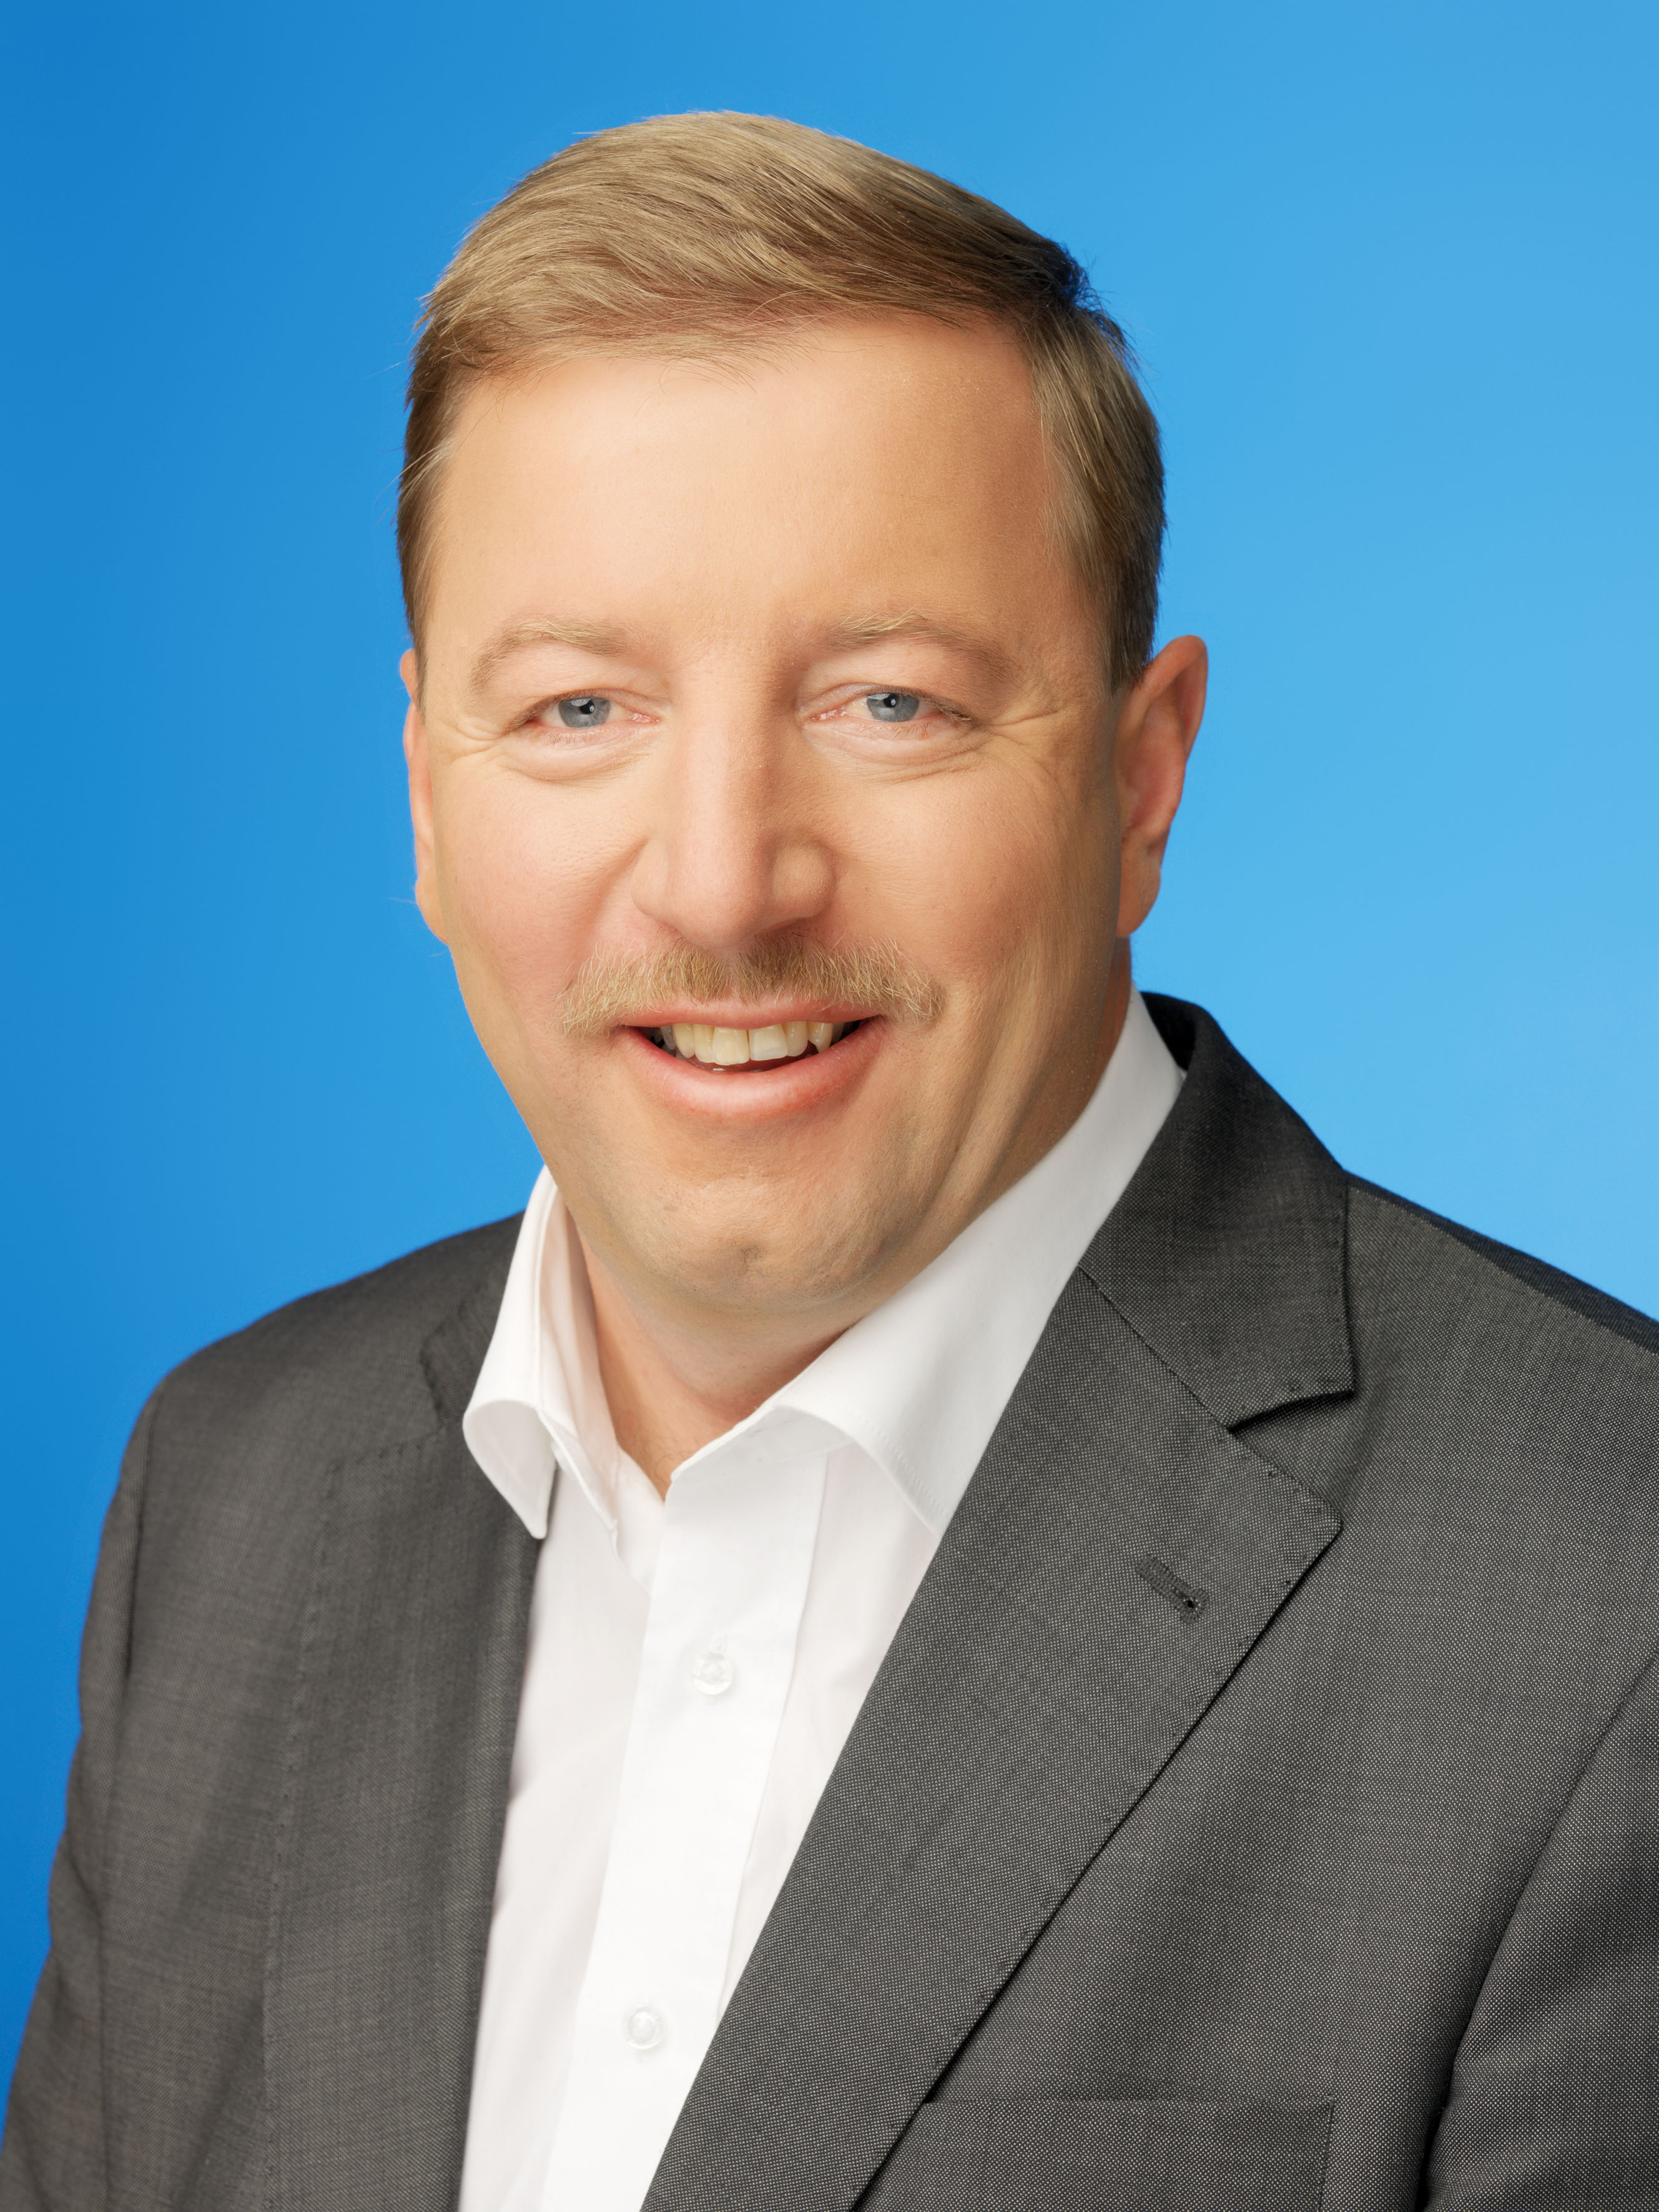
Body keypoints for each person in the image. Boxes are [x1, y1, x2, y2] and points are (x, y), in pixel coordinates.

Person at [4, 111, 1656, 2212]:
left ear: (1140, 783)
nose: (722, 882)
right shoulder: (232, 1490)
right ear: (426, 789)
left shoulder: (1607, 1595)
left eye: (887, 704)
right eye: (579, 710)